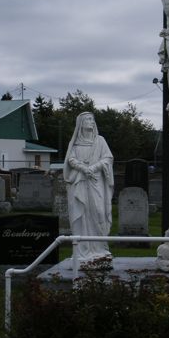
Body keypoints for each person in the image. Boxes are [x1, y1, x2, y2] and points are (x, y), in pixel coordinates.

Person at [63, 112, 114, 262]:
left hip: (96, 182)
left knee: (99, 212)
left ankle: (100, 248)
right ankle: (82, 249)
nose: (91, 122)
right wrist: (84, 169)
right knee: (81, 214)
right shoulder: (76, 143)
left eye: (92, 119)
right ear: (81, 123)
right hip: (80, 181)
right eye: (88, 119)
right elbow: (70, 160)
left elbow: (108, 158)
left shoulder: (100, 141)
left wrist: (94, 167)